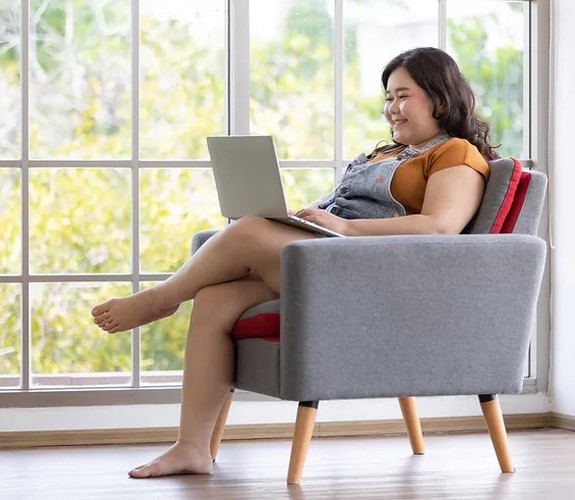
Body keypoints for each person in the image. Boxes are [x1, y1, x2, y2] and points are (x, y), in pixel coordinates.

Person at [91, 46, 498, 478]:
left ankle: (161, 298)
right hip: (327, 260)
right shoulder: (383, 154)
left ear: (440, 97)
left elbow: (440, 227)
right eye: (387, 98)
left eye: (402, 96)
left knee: (248, 230)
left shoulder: (456, 153)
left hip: (376, 275)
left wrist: (344, 229)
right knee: (213, 299)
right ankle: (191, 447)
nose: (391, 109)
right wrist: (306, 219)